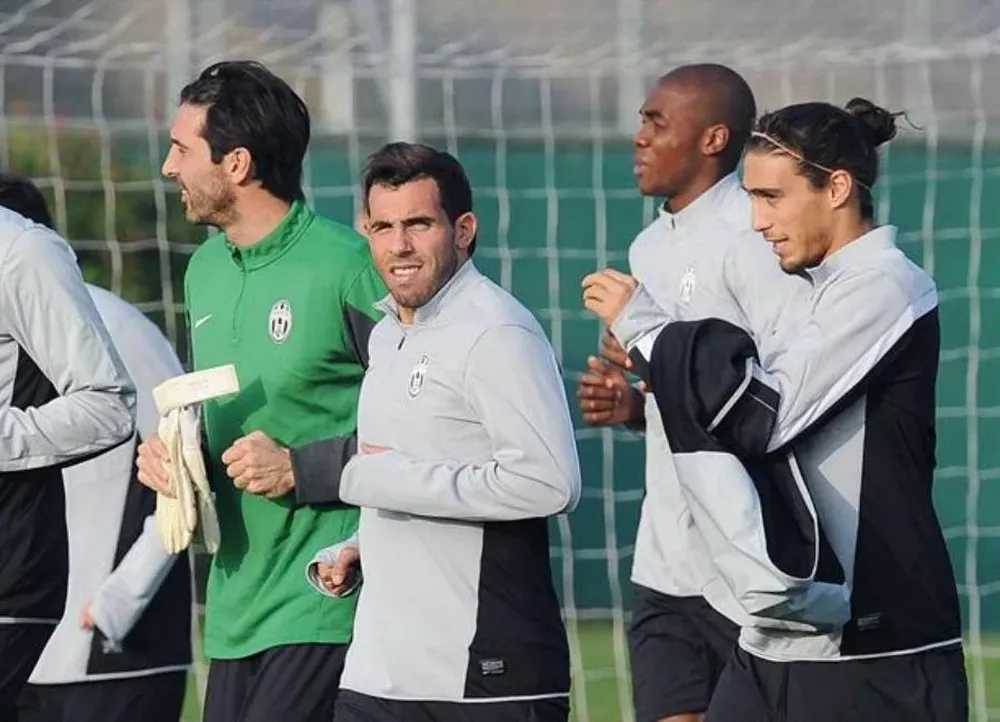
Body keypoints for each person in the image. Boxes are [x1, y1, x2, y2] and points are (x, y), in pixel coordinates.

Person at [587, 98, 967, 721]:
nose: (757, 220)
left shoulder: (884, 284)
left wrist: (647, 330)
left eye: (772, 198)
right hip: (777, 638)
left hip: (879, 647)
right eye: (753, 198)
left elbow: (763, 414)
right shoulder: (813, 289)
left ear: (837, 188)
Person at [135, 60, 385, 722]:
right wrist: (171, 457)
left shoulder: (348, 267)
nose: (168, 167)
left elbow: (426, 423)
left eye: (182, 149)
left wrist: (300, 469)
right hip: (234, 603)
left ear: (238, 164)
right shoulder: (205, 272)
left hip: (325, 595)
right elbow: (213, 419)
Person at [308, 141, 581, 722]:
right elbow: (412, 472)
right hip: (379, 672)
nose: (398, 245)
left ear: (463, 229)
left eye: (418, 224)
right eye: (381, 227)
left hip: (483, 678)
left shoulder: (499, 332)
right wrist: (361, 546)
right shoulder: (385, 334)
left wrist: (380, 480)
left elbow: (551, 484)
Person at [576, 64, 811, 722]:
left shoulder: (758, 237)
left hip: (746, 563)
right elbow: (682, 393)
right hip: (665, 559)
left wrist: (659, 340)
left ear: (712, 139)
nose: (639, 138)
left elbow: (775, 397)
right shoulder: (649, 245)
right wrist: (634, 407)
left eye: (656, 122)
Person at [0, 176, 190, 722]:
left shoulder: (119, 329)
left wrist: (116, 603)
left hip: (115, 653)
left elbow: (184, 467)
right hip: (44, 651)